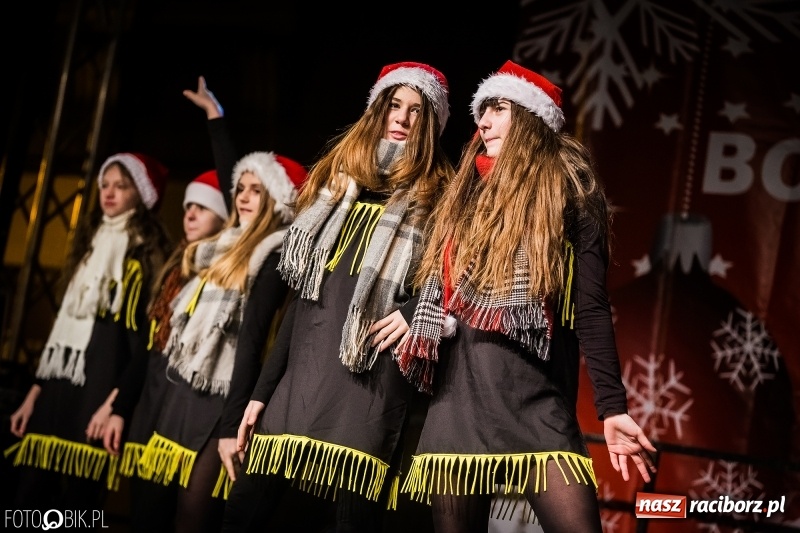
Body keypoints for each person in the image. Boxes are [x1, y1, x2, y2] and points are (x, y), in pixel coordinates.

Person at [393, 60, 657, 533]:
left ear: (530, 118)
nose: (483, 121)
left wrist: (613, 408)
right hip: (460, 398)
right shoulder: (465, 191)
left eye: (497, 108)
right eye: (481, 111)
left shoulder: (572, 191)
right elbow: (449, 283)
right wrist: (414, 311)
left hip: (535, 397)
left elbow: (591, 306)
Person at [223, 61, 455, 533]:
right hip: (301, 377)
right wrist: (260, 395)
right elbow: (300, 304)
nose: (403, 118)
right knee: (244, 512)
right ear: (377, 110)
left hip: (369, 382)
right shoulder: (335, 193)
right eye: (394, 105)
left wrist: (413, 311)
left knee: (353, 520)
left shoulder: (440, 199)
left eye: (416, 110)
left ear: (430, 125)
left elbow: (456, 281)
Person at [127, 76, 307, 533]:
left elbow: (250, 342)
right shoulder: (224, 244)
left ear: (276, 201)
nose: (243, 197)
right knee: (150, 509)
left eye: (255, 190)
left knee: (193, 516)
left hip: (225, 397)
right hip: (184, 389)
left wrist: (231, 428)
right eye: (240, 189)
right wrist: (215, 119)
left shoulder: (272, 254)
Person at [7, 152, 172, 512]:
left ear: (140, 194)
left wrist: (116, 405)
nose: (109, 193)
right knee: (27, 498)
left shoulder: (146, 256)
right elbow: (61, 330)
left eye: (121, 186)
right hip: (59, 388)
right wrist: (34, 393)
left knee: (77, 507)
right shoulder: (88, 247)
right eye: (105, 185)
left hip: (100, 391)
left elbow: (143, 342)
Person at [100, 168, 228, 532]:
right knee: (145, 513)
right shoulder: (177, 268)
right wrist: (118, 406)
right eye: (187, 206)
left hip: (192, 411)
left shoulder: (226, 272)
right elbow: (148, 347)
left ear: (223, 215)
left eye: (201, 208)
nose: (188, 214)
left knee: (189, 517)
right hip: (153, 407)